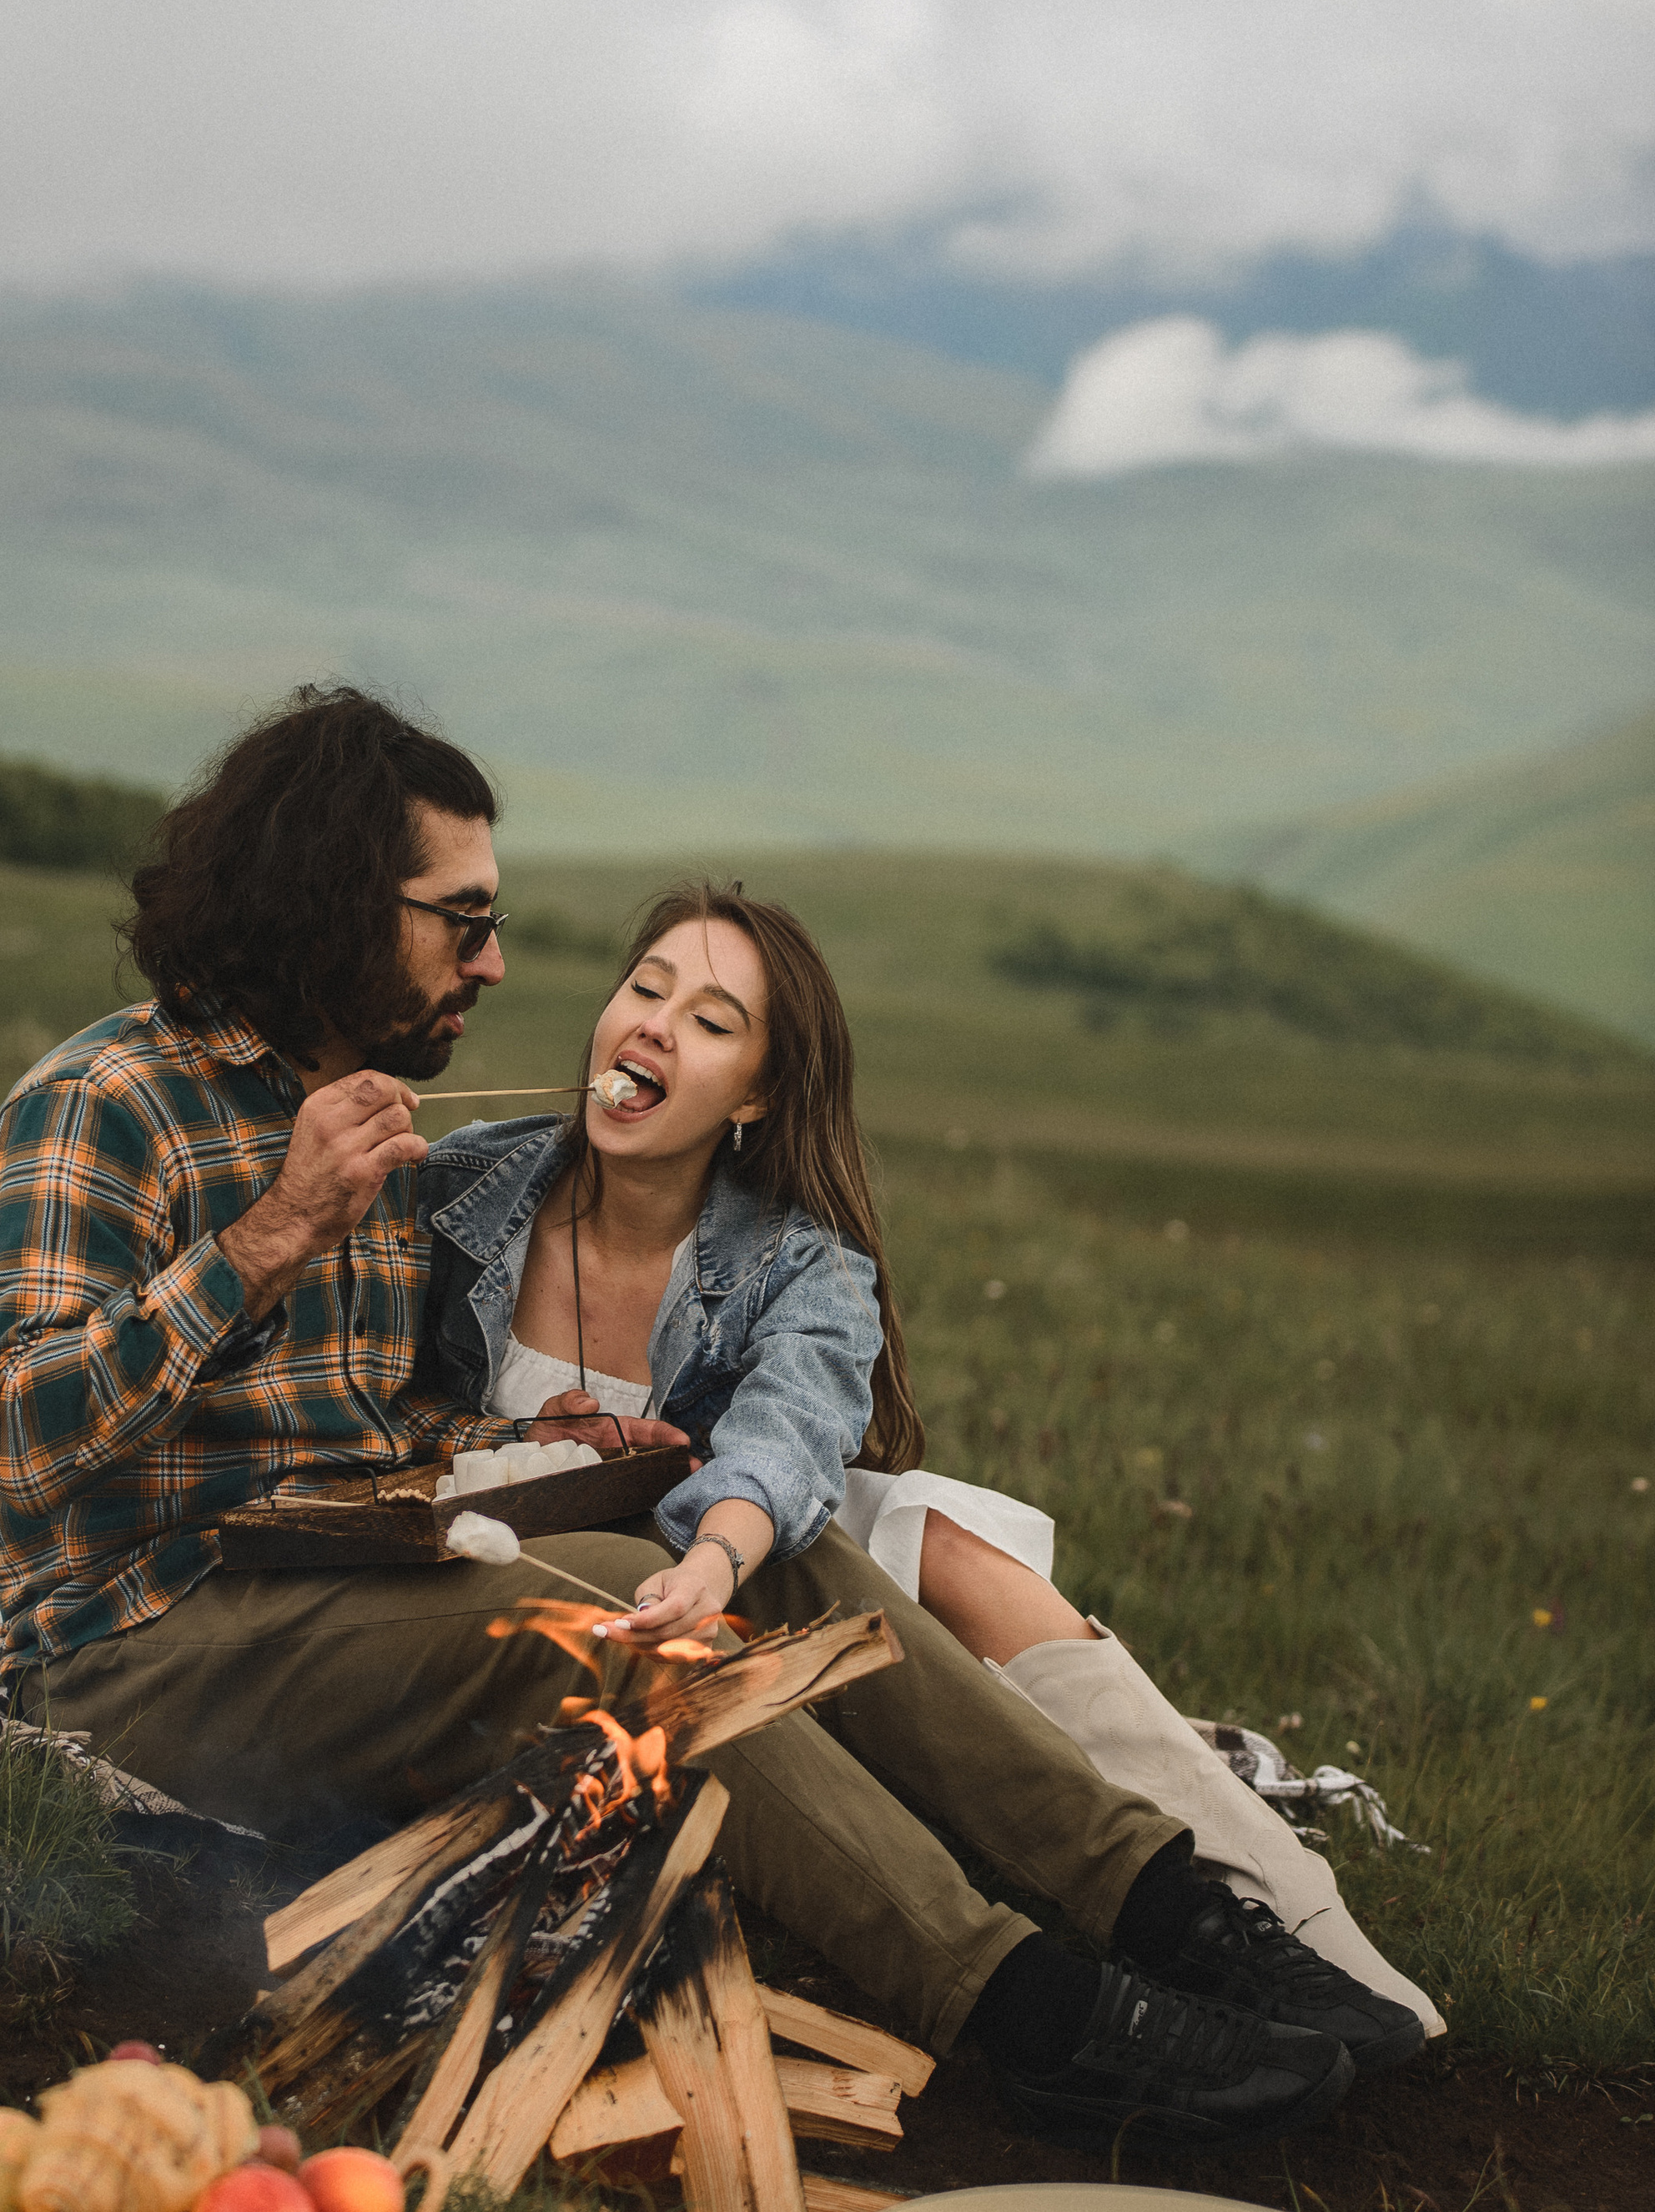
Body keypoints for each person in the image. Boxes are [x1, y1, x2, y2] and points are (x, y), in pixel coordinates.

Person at [0, 682, 1397, 2154]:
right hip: (148, 1639)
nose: (498, 961)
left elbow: (337, 1434)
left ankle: (1171, 1909)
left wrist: (521, 1453)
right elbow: (18, 1444)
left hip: (329, 1582)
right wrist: (270, 1232)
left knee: (758, 1555)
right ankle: (1029, 2013)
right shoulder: (105, 1101)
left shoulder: (369, 1127)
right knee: (604, 1639)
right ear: (338, 897)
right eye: (461, 920)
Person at [416, 877, 1441, 2048]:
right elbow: (365, 1416)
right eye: (644, 989)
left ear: (756, 1092)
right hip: (557, 1590)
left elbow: (790, 1435)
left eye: (709, 1019)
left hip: (737, 1542)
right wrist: (508, 1442)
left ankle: (1282, 1925)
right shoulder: (459, 1189)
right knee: (854, 1597)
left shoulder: (803, 1260)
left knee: (938, 1547)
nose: (653, 1023)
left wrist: (712, 1552)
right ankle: (1090, 1952)